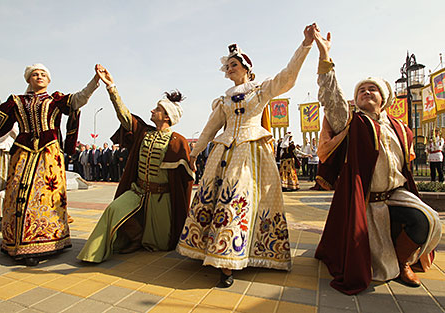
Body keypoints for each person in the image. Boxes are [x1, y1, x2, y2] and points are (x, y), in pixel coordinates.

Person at [176, 24, 315, 288]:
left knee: (237, 199)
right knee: (216, 198)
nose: (229, 69)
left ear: (246, 68)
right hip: (224, 152)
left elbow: (287, 77)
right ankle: (212, 250)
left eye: (233, 65)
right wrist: (194, 153)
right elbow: (210, 128)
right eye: (227, 66)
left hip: (250, 152)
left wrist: (305, 46)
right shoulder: (223, 100)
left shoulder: (260, 90)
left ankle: (228, 261)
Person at [312, 27, 442, 294]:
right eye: (362, 90)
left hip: (395, 196)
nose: (366, 93)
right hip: (363, 201)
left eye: (373, 90)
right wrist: (325, 56)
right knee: (360, 259)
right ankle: (390, 259)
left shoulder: (400, 128)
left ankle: (403, 261)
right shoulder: (351, 121)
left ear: (383, 100)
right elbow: (331, 97)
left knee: (427, 221)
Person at [0, 63, 99, 266]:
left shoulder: (56, 100)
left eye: (43, 74)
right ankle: (15, 242)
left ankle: (46, 243)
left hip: (48, 155)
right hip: (22, 154)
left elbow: (79, 99)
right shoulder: (16, 101)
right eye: (34, 74)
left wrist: (95, 82)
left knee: (44, 197)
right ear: (28, 80)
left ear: (48, 80)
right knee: (16, 194)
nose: (39, 76)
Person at [77, 65, 194, 263]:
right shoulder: (143, 132)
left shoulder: (178, 140)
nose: (152, 110)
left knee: (160, 246)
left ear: (167, 116)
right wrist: (111, 87)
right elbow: (124, 115)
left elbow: (185, 180)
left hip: (162, 199)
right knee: (114, 209)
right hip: (137, 191)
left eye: (157, 109)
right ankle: (95, 253)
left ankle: (138, 238)